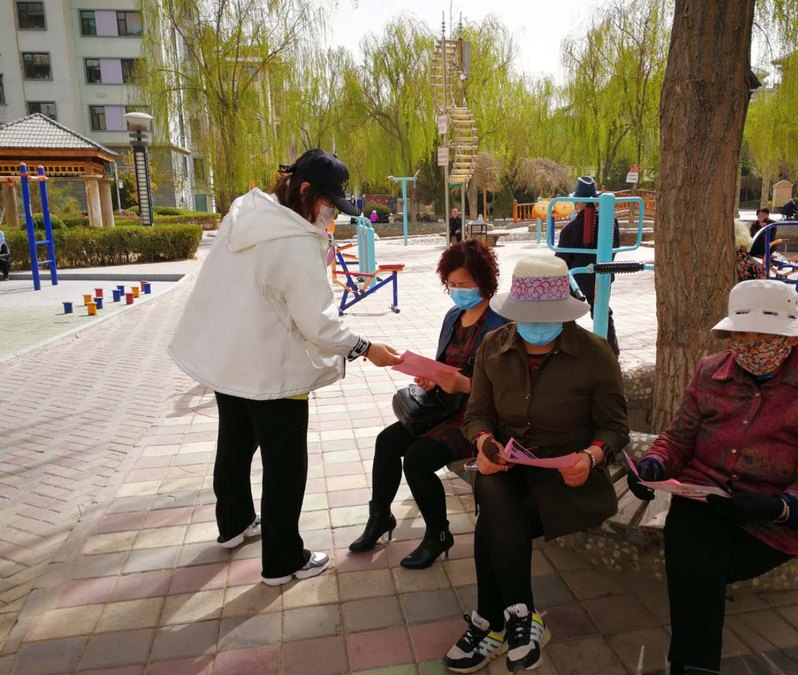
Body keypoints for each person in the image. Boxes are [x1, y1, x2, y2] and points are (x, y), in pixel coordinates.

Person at [169, 149, 402, 586]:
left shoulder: (245, 213)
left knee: (234, 445)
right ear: (305, 190)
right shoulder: (296, 242)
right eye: (329, 204)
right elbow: (319, 325)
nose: (332, 214)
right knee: (285, 466)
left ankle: (234, 524)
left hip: (227, 359)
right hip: (275, 372)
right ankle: (283, 561)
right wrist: (366, 347)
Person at [627, 280, 798, 675]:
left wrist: (779, 506)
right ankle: (696, 667)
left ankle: (689, 664)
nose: (746, 345)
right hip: (705, 497)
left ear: (787, 337)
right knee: (695, 553)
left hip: (776, 514)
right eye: (738, 335)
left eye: (759, 336)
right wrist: (655, 464)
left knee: (695, 569)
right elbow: (678, 439)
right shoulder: (710, 370)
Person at [443, 255, 629, 673]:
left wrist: (591, 456)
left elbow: (615, 428)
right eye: (528, 316)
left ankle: (491, 621)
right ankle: (519, 618)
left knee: (494, 520)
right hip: (509, 470)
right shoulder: (494, 346)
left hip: (569, 479)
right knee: (493, 490)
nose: (537, 326)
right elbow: (477, 415)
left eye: (547, 317)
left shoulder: (594, 353)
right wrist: (485, 443)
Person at [350, 239, 508, 568]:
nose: (457, 291)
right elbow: (445, 365)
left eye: (464, 284)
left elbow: (507, 387)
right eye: (451, 284)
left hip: (477, 417)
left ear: (484, 281)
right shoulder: (454, 316)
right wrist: (431, 377)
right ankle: (380, 517)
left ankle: (438, 533)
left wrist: (463, 384)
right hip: (443, 406)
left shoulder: (500, 323)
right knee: (386, 442)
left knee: (418, 460)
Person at [555, 177, 621, 356]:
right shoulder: (611, 224)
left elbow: (561, 261)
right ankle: (612, 353)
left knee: (564, 313)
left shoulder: (570, 229)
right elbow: (614, 249)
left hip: (576, 281)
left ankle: (567, 350)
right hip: (603, 277)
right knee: (602, 312)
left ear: (578, 203)